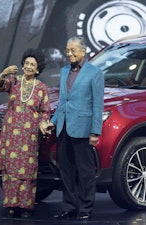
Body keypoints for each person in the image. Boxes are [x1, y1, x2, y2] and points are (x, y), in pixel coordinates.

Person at [41, 36, 104, 221]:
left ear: (83, 51)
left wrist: (95, 132)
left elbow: (97, 105)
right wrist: (53, 120)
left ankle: (85, 208)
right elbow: (62, 101)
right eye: (67, 50)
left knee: (85, 172)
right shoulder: (64, 71)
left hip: (83, 129)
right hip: (64, 128)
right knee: (66, 171)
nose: (69, 53)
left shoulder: (94, 73)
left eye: (73, 50)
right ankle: (69, 207)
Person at [0, 49, 50, 218]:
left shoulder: (41, 88)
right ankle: (11, 205)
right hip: (11, 133)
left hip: (30, 135)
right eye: (26, 63)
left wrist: (43, 123)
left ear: (38, 68)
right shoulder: (14, 82)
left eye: (32, 64)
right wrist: (3, 73)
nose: (28, 67)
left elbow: (45, 111)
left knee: (26, 171)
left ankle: (25, 206)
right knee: (11, 170)